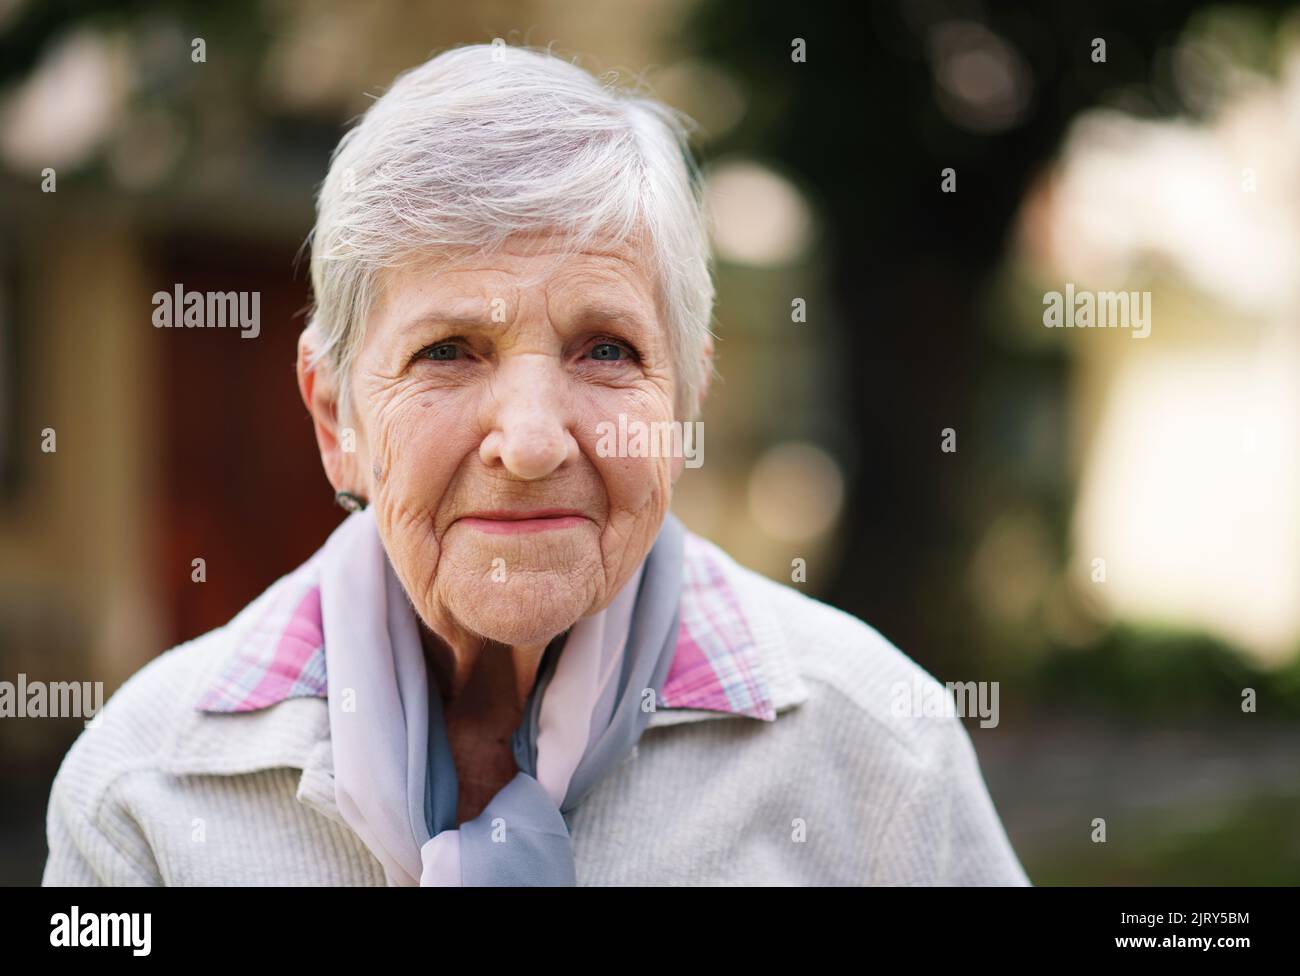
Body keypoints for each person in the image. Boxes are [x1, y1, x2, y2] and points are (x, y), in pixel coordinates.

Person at [40, 43, 1030, 886]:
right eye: (447, 351)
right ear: (336, 415)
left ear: (684, 400)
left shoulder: (875, 749)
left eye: (606, 349)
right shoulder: (146, 790)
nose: (529, 443)